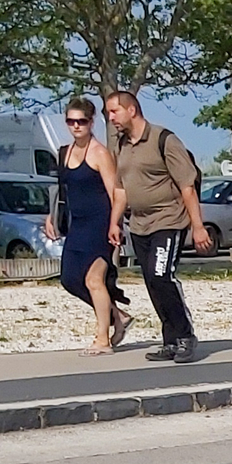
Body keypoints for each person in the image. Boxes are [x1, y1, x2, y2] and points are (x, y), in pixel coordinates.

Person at [104, 88, 214, 363]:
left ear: (131, 110)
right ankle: (171, 340)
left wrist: (198, 226)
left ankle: (186, 335)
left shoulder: (164, 140)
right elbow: (120, 190)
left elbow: (187, 186)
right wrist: (114, 222)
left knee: (162, 275)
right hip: (139, 224)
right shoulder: (121, 145)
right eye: (108, 114)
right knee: (152, 281)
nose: (111, 118)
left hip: (169, 220)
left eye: (114, 112)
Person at [48, 98, 134, 354]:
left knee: (94, 279)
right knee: (70, 279)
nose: (76, 126)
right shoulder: (64, 152)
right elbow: (61, 190)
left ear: (91, 122)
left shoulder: (99, 153)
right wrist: (50, 217)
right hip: (77, 225)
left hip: (99, 224)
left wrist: (114, 224)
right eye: (71, 121)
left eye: (81, 121)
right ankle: (118, 315)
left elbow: (116, 192)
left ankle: (102, 339)